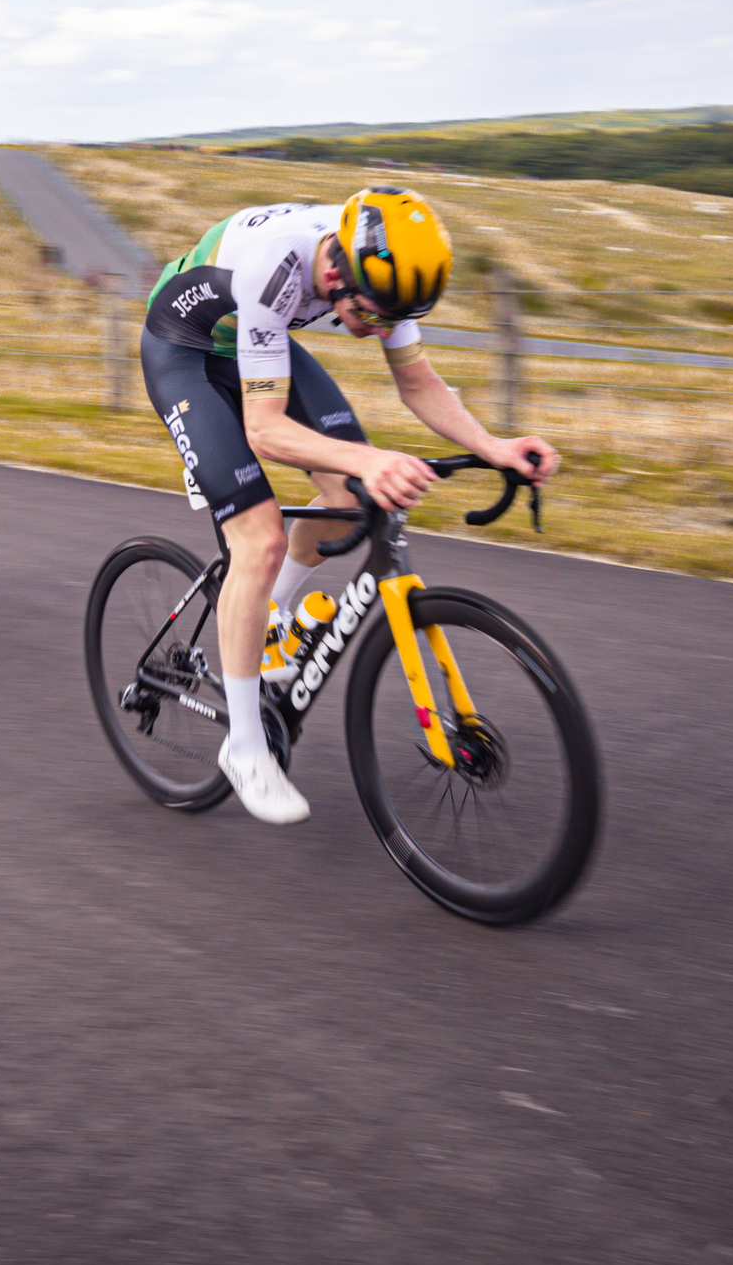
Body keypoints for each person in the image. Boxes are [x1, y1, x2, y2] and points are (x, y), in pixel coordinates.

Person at [140, 186, 557, 825]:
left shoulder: (381, 272)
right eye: (377, 316)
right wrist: (370, 457)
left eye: (396, 318)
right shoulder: (276, 266)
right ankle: (245, 748)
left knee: (349, 498)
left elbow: (416, 381)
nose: (385, 330)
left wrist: (494, 447)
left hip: (255, 342)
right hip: (185, 352)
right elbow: (266, 431)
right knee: (260, 538)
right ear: (336, 273)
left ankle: (270, 620)